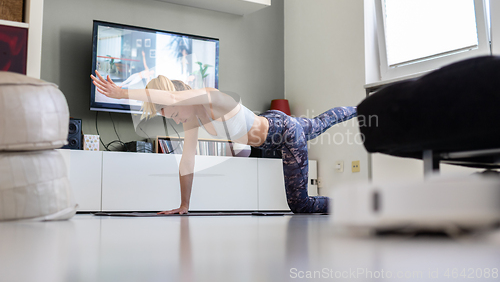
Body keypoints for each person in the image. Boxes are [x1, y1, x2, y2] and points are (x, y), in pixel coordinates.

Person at [90, 71, 357, 214]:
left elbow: (172, 100)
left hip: (284, 133)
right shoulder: (192, 121)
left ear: (179, 99)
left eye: (172, 113)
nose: (173, 119)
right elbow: (187, 161)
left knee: (300, 205)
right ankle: (360, 108)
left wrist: (123, 93)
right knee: (321, 122)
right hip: (274, 125)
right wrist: (185, 205)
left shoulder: (210, 97)